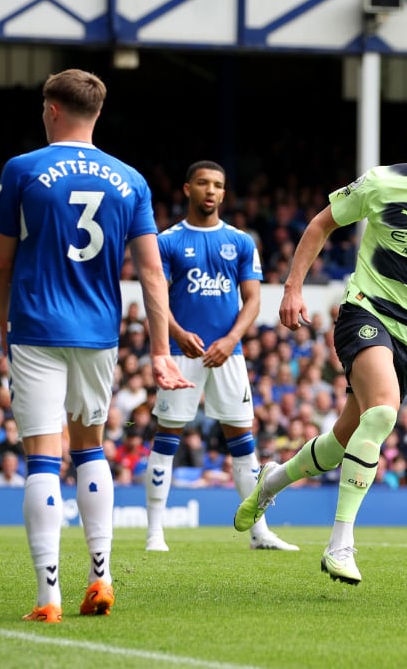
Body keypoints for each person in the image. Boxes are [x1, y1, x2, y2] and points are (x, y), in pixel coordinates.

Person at [234, 107, 407, 585]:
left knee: (341, 441)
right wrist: (293, 288)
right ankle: (340, 544)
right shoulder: (384, 182)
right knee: (383, 413)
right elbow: (321, 224)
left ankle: (272, 480)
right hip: (366, 311)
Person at [0, 70, 193, 623]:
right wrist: (159, 351)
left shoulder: (22, 169)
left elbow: (0, 264)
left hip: (36, 328)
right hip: (98, 333)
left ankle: (48, 598)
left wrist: (5, 322)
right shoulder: (130, 179)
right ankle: (101, 577)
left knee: (42, 457)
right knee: (89, 451)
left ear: (52, 110)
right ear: (96, 113)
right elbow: (152, 273)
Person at [144, 160, 297, 553]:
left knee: (243, 442)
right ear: (188, 189)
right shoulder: (167, 241)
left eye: (217, 185)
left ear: (224, 193)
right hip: (181, 352)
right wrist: (177, 333)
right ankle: (154, 533)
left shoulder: (241, 241)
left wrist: (230, 340)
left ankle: (259, 532)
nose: (210, 190)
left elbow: (253, 300)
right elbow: (156, 298)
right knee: (167, 438)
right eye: (202, 183)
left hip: (229, 354)